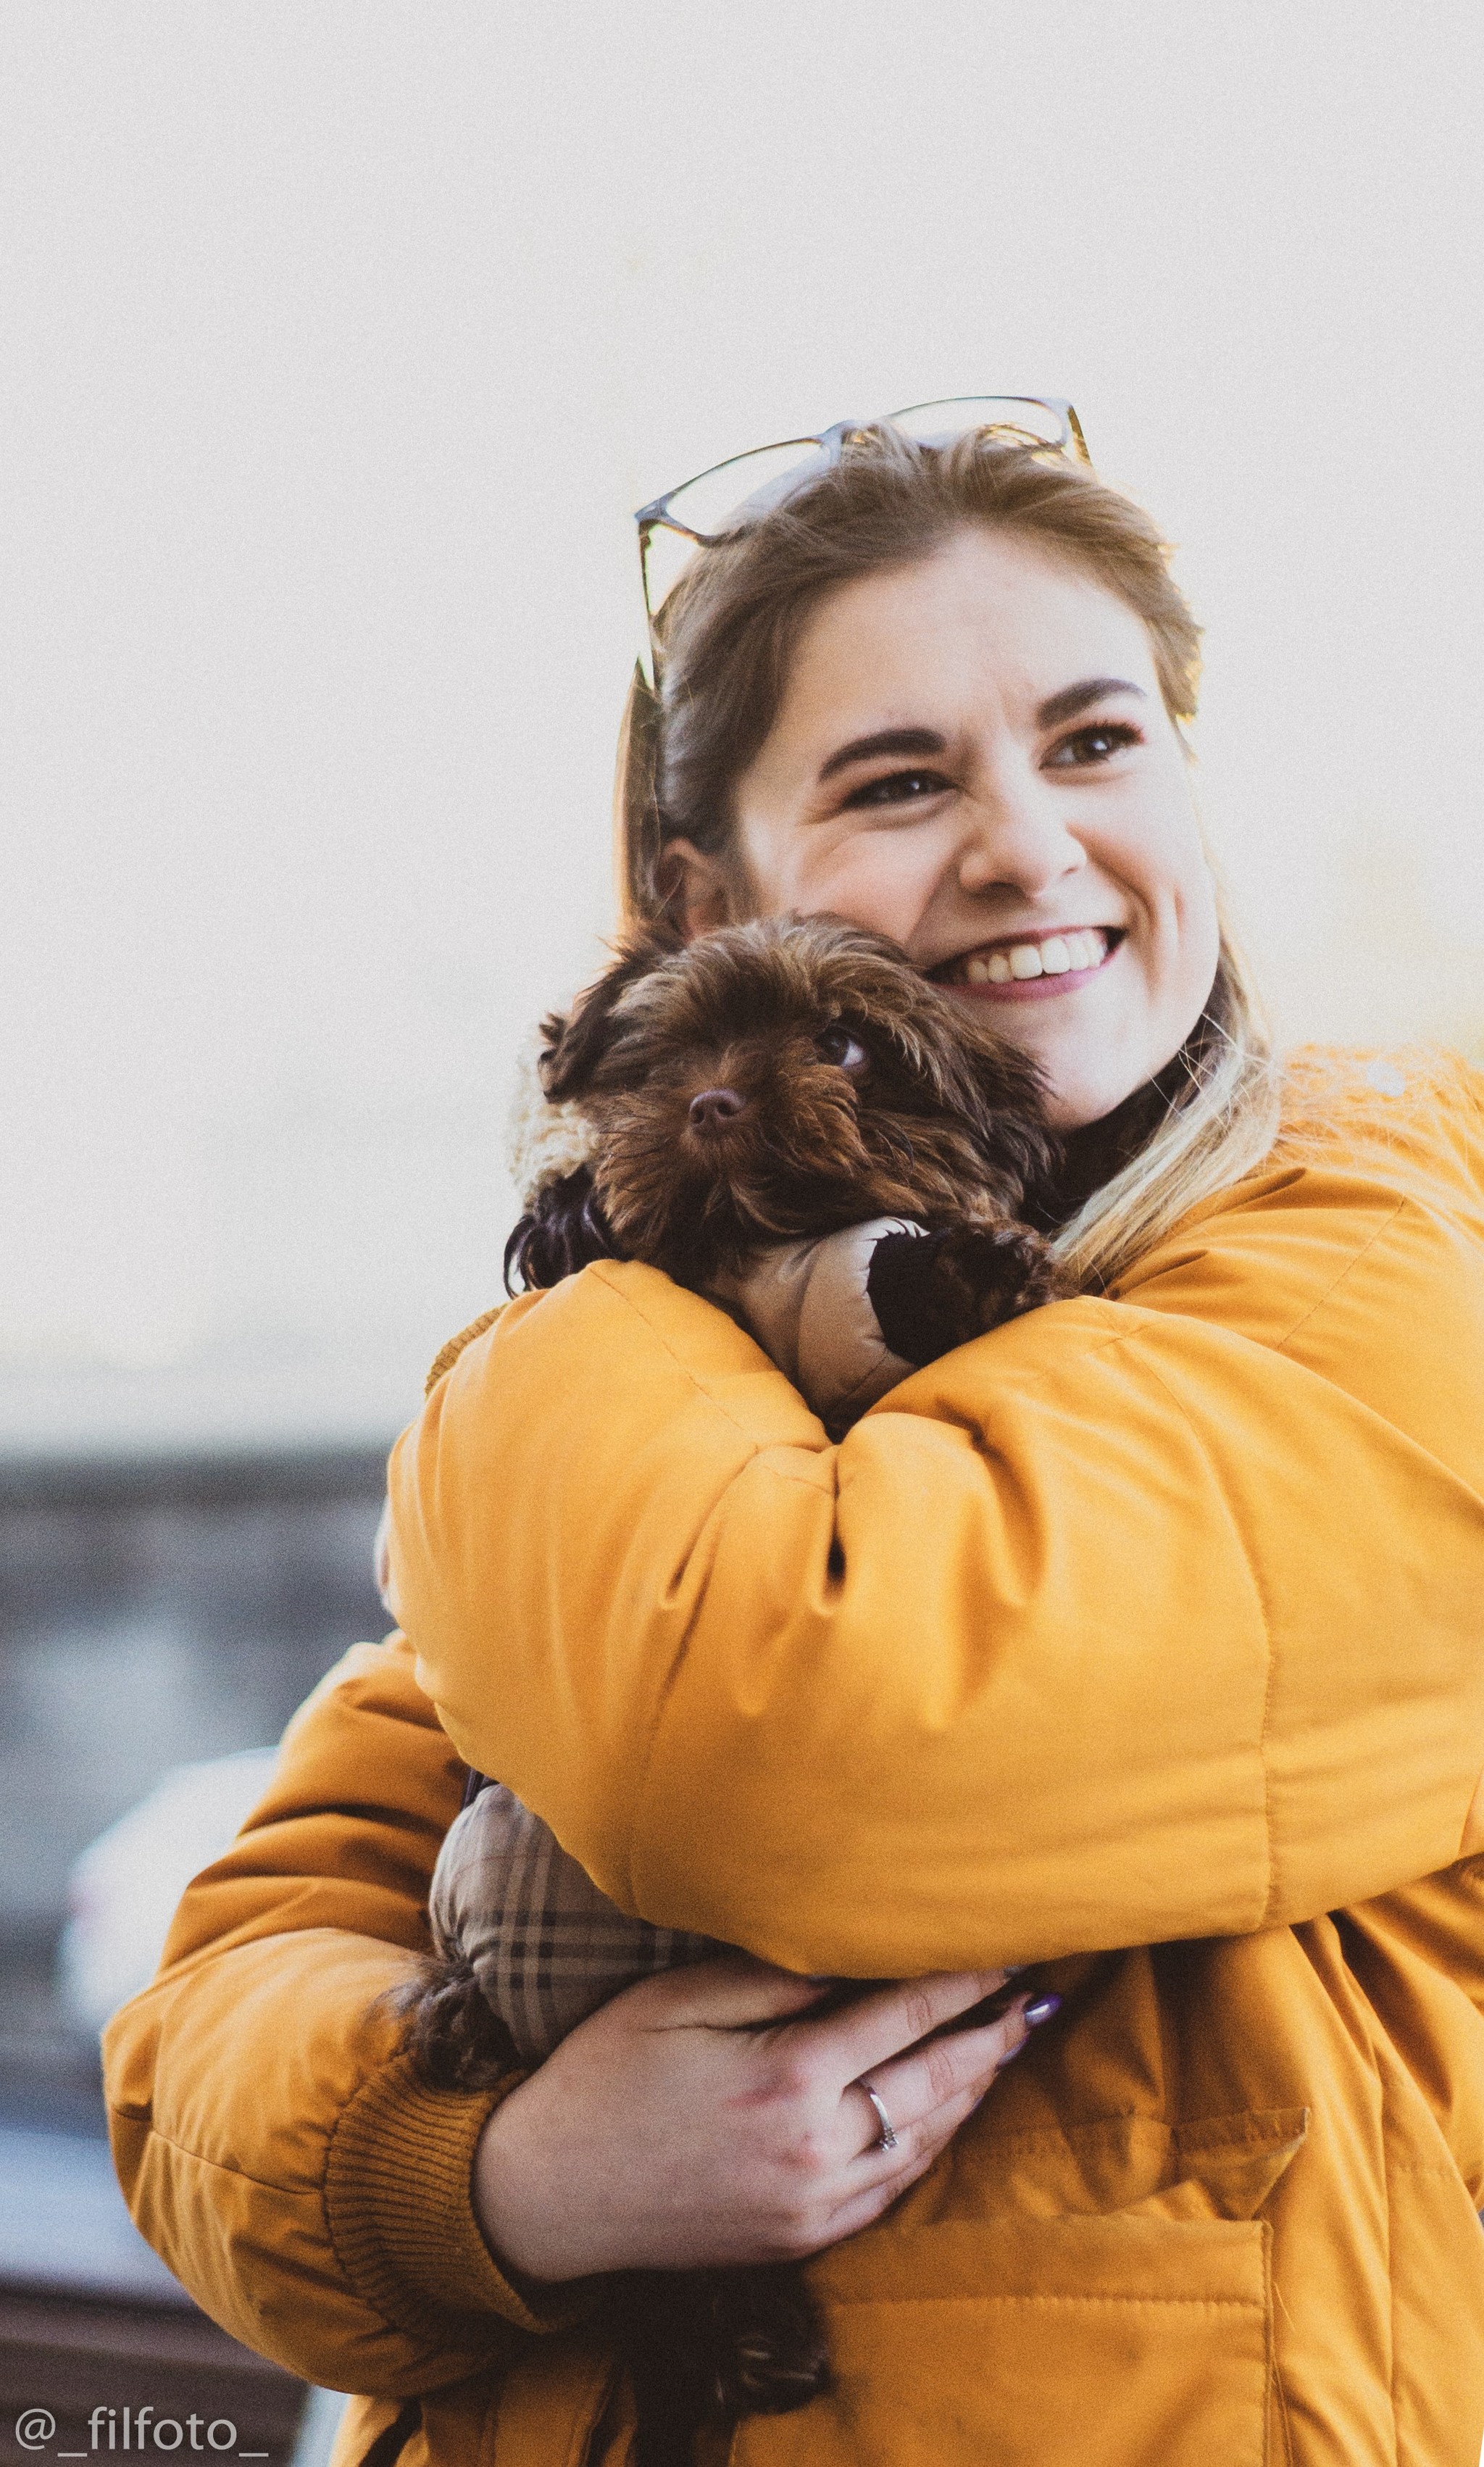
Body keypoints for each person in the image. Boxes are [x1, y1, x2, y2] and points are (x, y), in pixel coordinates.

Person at [106, 404, 1484, 2467]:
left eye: (1097, 741)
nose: (1025, 844)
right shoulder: (649, 1396)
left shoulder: (1379, 1246)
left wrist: (601, 1320)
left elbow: (786, 1727)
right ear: (698, 891)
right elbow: (225, 2002)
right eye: (900, 780)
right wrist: (505, 2173)